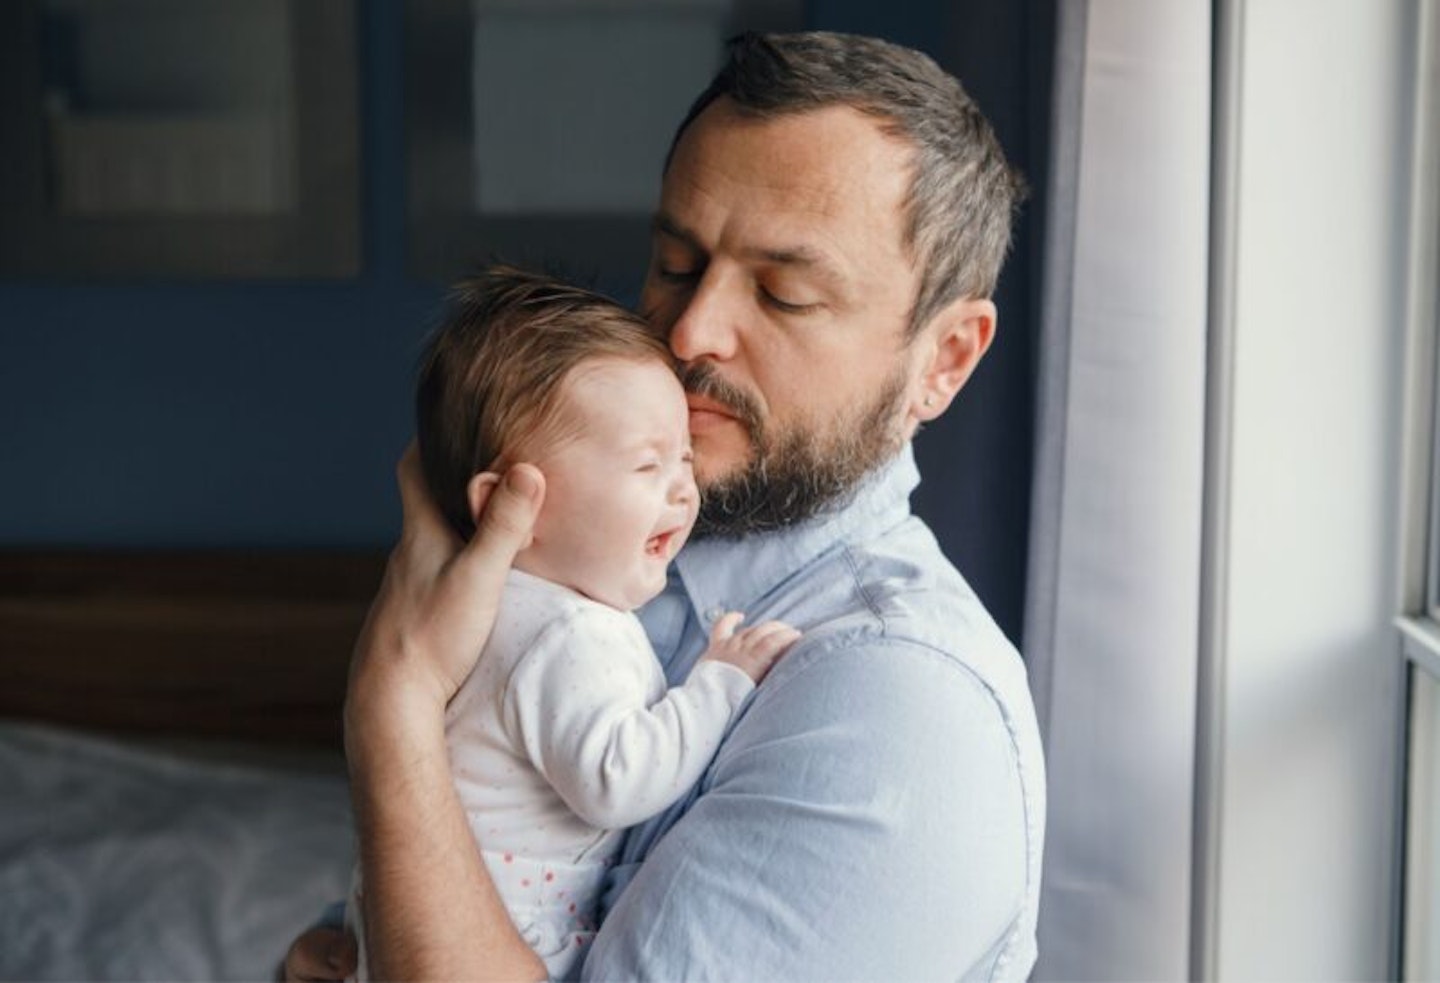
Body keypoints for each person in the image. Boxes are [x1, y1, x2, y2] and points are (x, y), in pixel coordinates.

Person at [287, 29, 1046, 982]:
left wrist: (388, 705)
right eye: (678, 265)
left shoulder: (897, 714)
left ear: (943, 361)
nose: (689, 332)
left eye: (783, 293)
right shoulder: (582, 557)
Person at [345, 266, 800, 981]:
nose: (684, 486)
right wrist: (721, 681)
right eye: (648, 464)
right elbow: (616, 778)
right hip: (506, 922)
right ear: (511, 507)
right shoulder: (568, 634)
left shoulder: (477, 612)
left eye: (683, 455)